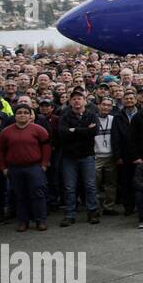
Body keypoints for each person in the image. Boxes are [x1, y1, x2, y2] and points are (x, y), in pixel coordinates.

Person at [0, 104, 50, 232]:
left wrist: (44, 164)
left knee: (38, 194)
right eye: (19, 112)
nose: (23, 115)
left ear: (30, 115)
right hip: (15, 168)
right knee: (20, 195)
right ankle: (22, 221)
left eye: (26, 112)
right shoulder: (6, 131)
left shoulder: (39, 129)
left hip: (35, 167)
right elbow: (0, 151)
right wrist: (3, 168)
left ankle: (40, 220)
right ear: (15, 115)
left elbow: (46, 148)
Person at [56, 90, 100, 226]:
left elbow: (94, 131)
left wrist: (74, 130)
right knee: (69, 187)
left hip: (87, 155)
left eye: (79, 98)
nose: (77, 101)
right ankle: (70, 214)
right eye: (74, 99)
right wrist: (84, 130)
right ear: (70, 101)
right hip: (69, 157)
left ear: (85, 101)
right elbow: (62, 133)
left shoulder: (91, 115)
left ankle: (92, 212)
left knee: (90, 185)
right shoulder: (64, 116)